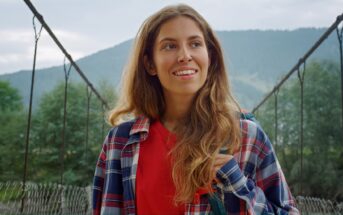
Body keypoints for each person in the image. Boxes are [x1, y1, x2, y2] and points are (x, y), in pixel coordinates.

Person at [92, 4, 299, 215]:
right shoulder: (120, 142)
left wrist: (237, 182)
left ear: (210, 57)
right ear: (149, 64)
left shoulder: (247, 137)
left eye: (195, 44)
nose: (185, 56)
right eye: (169, 46)